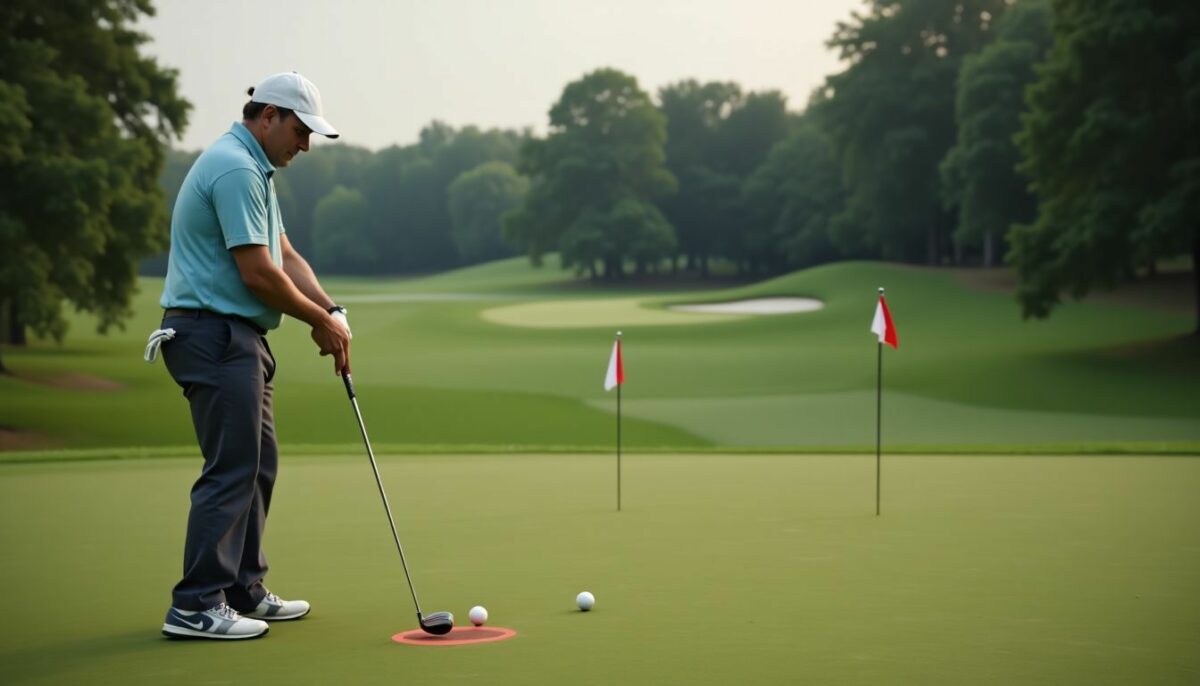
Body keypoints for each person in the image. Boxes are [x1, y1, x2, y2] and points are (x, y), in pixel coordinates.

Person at [152, 72, 352, 640]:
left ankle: (242, 590)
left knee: (258, 465)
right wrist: (316, 323)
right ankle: (195, 604)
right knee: (233, 468)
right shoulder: (236, 167)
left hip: (236, 339)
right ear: (268, 116)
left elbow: (284, 254)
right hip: (212, 336)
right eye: (299, 130)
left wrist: (331, 312)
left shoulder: (256, 170)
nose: (305, 145)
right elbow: (257, 272)